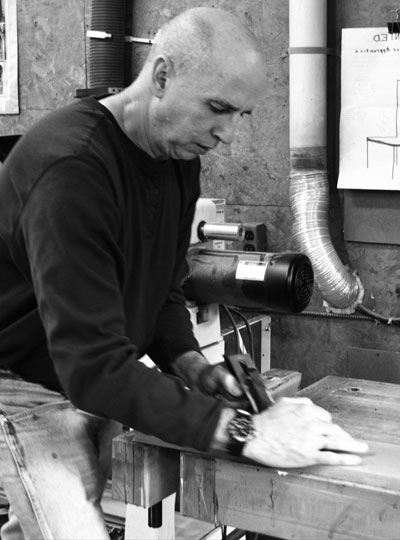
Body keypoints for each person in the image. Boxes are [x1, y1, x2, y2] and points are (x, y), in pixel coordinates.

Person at [0, 6, 368, 539]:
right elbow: (92, 368)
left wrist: (193, 366)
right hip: (27, 383)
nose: (227, 136)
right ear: (163, 76)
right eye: (217, 108)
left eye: (240, 115)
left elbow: (161, 287)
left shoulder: (176, 157)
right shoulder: (72, 170)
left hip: (82, 371)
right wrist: (244, 432)